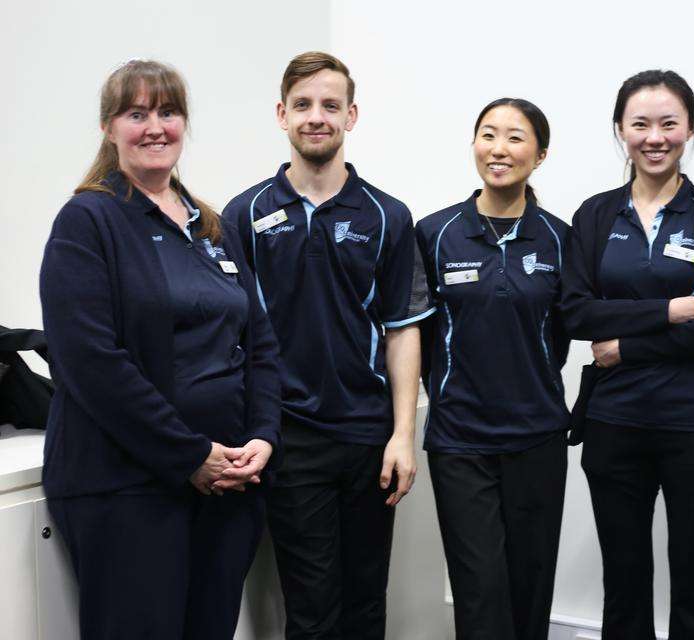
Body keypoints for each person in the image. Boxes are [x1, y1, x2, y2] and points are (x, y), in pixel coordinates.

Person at [39, 60, 281, 640]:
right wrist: (188, 454)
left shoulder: (209, 227)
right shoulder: (88, 220)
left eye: (168, 112)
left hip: (228, 487)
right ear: (109, 128)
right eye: (136, 113)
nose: (155, 127)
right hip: (130, 490)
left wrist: (263, 436)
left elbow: (261, 345)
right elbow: (91, 362)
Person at [222, 51, 432, 639]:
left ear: (352, 115)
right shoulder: (245, 215)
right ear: (282, 114)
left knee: (367, 599)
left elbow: (403, 328)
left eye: (330, 105)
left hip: (369, 437)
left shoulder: (389, 217)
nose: (317, 117)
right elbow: (235, 334)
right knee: (311, 606)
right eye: (304, 105)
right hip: (288, 436)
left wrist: (402, 436)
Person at [561, 70, 694, 639]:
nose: (655, 136)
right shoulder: (595, 216)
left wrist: (626, 346)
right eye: (640, 124)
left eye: (669, 123)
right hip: (615, 423)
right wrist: (667, 311)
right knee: (623, 579)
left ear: (690, 129)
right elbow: (575, 313)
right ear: (621, 130)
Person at [415, 98, 569, 640]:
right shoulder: (434, 234)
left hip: (539, 437)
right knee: (479, 591)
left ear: (540, 154)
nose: (499, 149)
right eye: (488, 134)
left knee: (531, 587)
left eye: (515, 137)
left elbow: (562, 336)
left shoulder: (559, 237)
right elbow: (420, 339)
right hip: (461, 441)